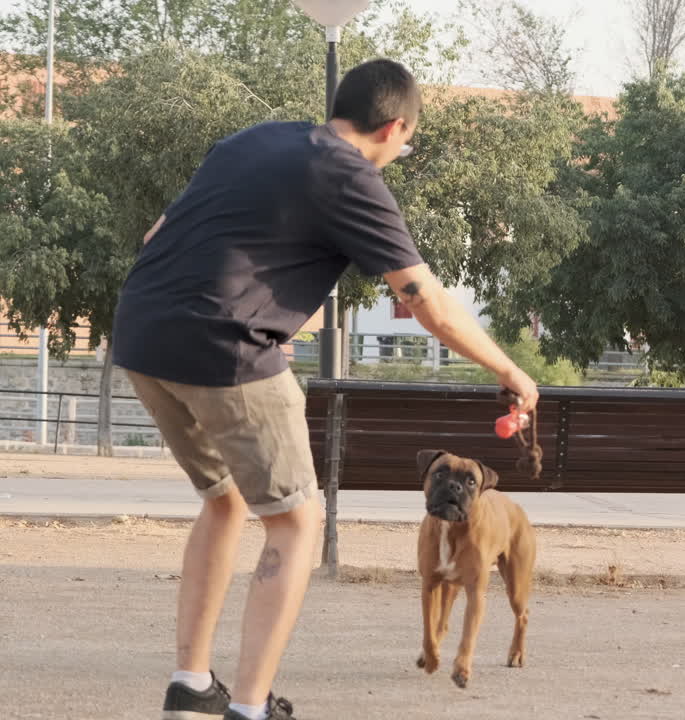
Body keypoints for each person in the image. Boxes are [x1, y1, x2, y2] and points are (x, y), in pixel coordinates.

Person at [111, 59, 538, 720]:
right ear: (394, 127)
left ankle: (191, 683)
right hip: (225, 350)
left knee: (223, 501)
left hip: (141, 335)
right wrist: (512, 372)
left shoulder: (253, 140)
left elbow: (159, 237)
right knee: (295, 523)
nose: (402, 151)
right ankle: (250, 707)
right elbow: (427, 301)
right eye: (408, 142)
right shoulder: (351, 175)